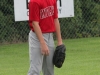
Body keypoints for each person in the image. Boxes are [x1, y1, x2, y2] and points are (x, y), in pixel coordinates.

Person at [27, 0, 63, 75]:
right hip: (37, 37)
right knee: (35, 70)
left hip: (50, 36)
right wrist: (42, 43)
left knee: (49, 70)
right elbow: (35, 24)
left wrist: (60, 41)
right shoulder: (34, 2)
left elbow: (55, 20)